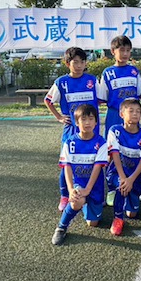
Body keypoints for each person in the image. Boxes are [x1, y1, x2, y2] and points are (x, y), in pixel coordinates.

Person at [45, 47, 99, 212]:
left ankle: (92, 195)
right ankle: (65, 195)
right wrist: (59, 117)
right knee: (66, 163)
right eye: (75, 62)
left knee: (93, 163)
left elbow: (102, 98)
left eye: (82, 62)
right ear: (67, 63)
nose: (79, 65)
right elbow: (48, 100)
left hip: (91, 132)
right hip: (71, 131)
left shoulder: (92, 80)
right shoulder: (61, 82)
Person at [51, 104, 108, 246]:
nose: (87, 122)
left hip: (94, 187)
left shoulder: (101, 142)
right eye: (83, 119)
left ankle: (87, 204)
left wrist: (88, 189)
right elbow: (67, 168)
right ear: (76, 122)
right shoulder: (70, 142)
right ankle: (61, 227)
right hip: (79, 184)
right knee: (76, 200)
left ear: (96, 122)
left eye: (91, 119)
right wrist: (71, 189)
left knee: (93, 223)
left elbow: (97, 168)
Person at [106, 98, 141, 236]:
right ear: (122, 114)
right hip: (116, 173)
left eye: (138, 111)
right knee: (121, 186)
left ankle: (128, 201)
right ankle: (118, 218)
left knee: (132, 214)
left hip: (134, 177)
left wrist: (131, 179)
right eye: (131, 111)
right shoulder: (115, 130)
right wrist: (123, 178)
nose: (135, 114)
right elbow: (114, 154)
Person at [97, 35, 141, 137]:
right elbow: (103, 97)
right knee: (112, 141)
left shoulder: (134, 71)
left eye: (128, 50)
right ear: (113, 51)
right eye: (122, 50)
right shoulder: (108, 73)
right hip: (114, 114)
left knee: (133, 141)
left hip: (132, 115)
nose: (125, 54)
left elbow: (139, 92)